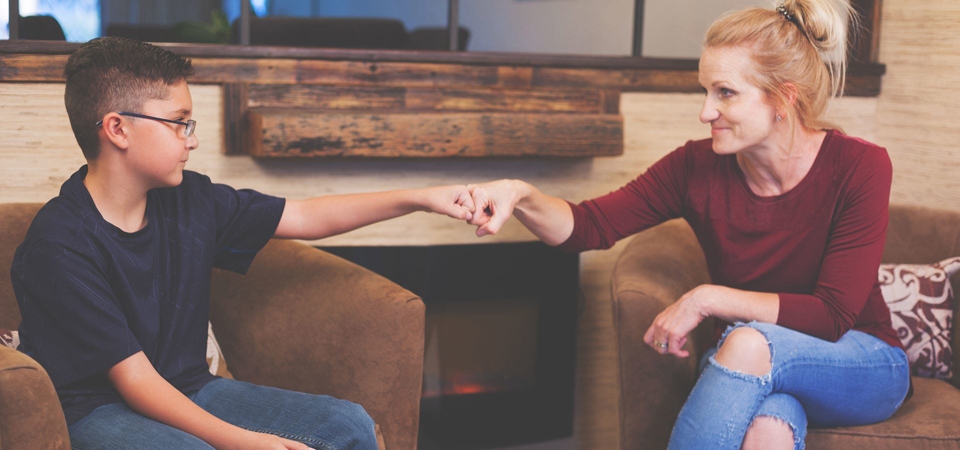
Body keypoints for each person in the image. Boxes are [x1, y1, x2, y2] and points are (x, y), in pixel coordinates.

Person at [465, 1, 909, 449]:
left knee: (747, 343)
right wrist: (520, 194)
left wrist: (706, 299)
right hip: (752, 361)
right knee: (767, 433)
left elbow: (831, 316)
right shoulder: (694, 167)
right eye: (705, 91)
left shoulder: (860, 166)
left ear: (783, 99)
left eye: (725, 93)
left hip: (860, 360)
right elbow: (588, 226)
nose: (705, 112)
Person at [12, 37, 476, 450]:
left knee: (347, 424)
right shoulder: (59, 245)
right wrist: (244, 441)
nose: (190, 139)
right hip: (97, 410)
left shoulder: (190, 198)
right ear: (118, 129)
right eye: (179, 122)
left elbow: (306, 214)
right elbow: (135, 382)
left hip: (190, 385)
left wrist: (421, 198)